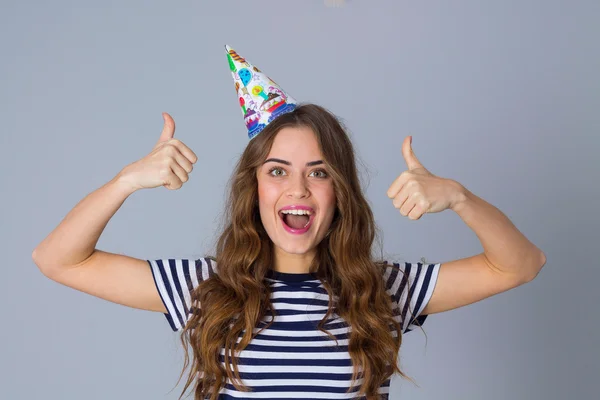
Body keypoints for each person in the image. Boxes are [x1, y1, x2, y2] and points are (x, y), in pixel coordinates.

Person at [32, 46, 546, 400]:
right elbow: (57, 259)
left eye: (317, 173)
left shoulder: (382, 291)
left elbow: (521, 265)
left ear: (339, 192)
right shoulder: (207, 287)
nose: (297, 189)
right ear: (254, 189)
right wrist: (126, 181)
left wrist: (458, 197)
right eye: (277, 171)